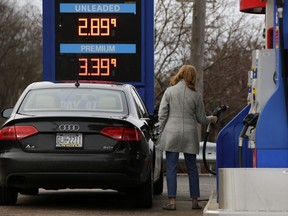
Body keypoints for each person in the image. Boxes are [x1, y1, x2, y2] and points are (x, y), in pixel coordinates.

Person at [158, 64, 217, 210]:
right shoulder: (196, 95)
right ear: (192, 77)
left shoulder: (169, 92)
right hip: (190, 133)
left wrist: (159, 131)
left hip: (172, 133)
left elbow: (162, 115)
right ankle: (195, 201)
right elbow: (201, 119)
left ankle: (172, 202)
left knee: (171, 168)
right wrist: (212, 119)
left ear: (180, 74)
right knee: (192, 168)